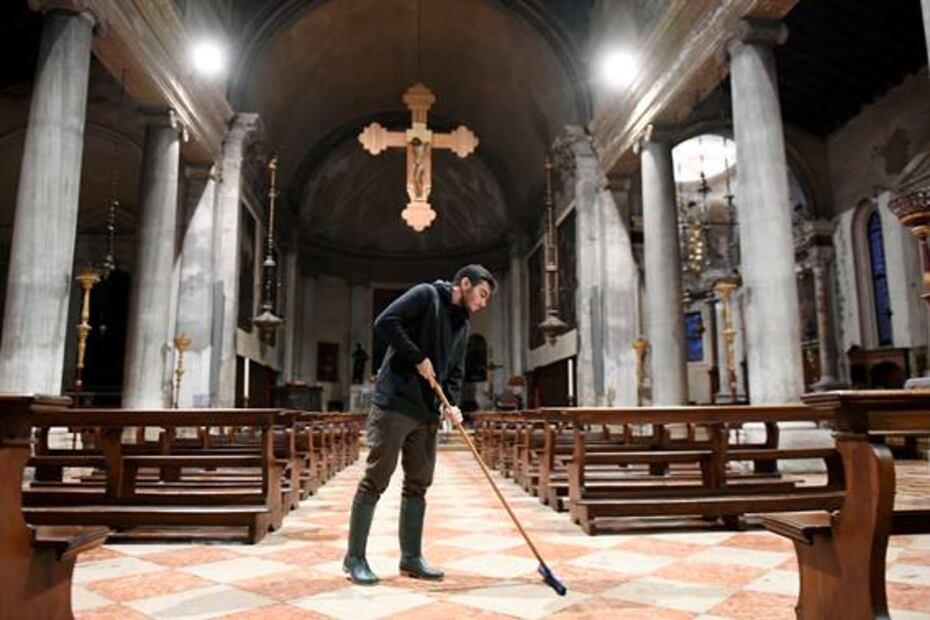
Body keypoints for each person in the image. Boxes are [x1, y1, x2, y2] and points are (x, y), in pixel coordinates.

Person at [343, 264, 497, 585]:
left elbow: (455, 371)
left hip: (427, 412)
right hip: (396, 404)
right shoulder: (427, 295)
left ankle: (411, 557)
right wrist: (416, 356)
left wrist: (451, 403)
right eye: (481, 294)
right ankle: (354, 558)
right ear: (464, 283)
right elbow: (385, 322)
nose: (483, 303)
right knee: (376, 480)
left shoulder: (463, 324)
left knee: (418, 484)